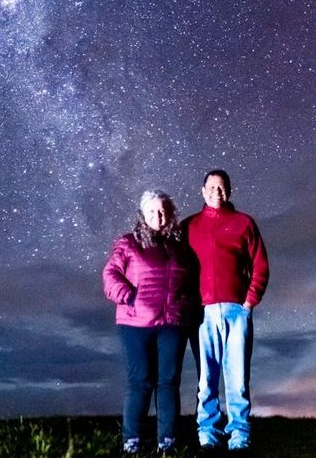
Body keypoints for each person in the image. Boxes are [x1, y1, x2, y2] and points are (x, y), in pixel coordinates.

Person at [103, 190, 199, 455]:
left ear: (171, 213)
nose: (159, 216)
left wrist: (187, 310)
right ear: (143, 215)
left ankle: (167, 441)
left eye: (164, 210)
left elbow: (191, 282)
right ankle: (131, 441)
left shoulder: (181, 246)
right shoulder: (128, 243)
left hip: (172, 324)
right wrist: (131, 297)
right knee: (140, 381)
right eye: (153, 211)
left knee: (168, 382)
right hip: (135, 324)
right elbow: (110, 275)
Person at [183, 169, 269, 452]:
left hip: (236, 310)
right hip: (202, 313)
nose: (215, 192)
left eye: (221, 188)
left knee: (237, 376)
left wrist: (248, 302)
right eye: (211, 187)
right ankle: (208, 434)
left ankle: (239, 436)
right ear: (202, 190)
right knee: (206, 378)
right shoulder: (189, 226)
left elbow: (260, 264)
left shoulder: (244, 223)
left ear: (229, 191)